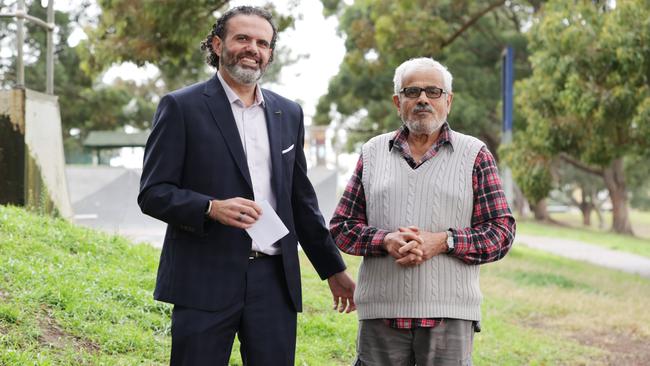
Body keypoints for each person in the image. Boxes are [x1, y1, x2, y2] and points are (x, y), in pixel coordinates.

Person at [138, 6, 355, 365]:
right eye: (242, 38)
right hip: (204, 279)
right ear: (217, 44)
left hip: (273, 282)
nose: (252, 48)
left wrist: (333, 269)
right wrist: (211, 208)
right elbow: (153, 192)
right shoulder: (181, 107)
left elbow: (300, 201)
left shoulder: (289, 112)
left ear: (269, 54)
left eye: (262, 42)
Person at [330, 57, 516, 365]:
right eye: (412, 91)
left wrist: (443, 242)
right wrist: (386, 240)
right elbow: (342, 226)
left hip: (450, 315)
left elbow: (501, 232)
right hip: (381, 313)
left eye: (433, 91)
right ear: (397, 101)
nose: (423, 99)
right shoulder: (372, 152)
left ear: (448, 101)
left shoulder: (475, 154)